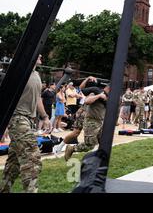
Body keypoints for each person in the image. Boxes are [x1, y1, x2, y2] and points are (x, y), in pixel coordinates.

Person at [0, 54, 52, 193]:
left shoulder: (36, 74)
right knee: (32, 158)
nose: (41, 54)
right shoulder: (19, 71)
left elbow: (38, 98)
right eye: (38, 52)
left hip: (28, 120)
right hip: (17, 118)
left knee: (13, 164)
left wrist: (45, 117)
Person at [64, 83, 111, 160]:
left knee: (104, 141)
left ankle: (100, 158)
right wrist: (99, 96)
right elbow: (87, 101)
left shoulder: (108, 97)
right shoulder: (97, 93)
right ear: (108, 88)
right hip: (91, 122)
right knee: (89, 145)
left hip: (100, 122)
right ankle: (72, 148)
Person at [53, 77, 96, 155]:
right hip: (83, 112)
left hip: (89, 114)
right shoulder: (88, 91)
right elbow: (81, 88)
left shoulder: (96, 91)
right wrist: (87, 79)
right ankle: (59, 147)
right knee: (76, 132)